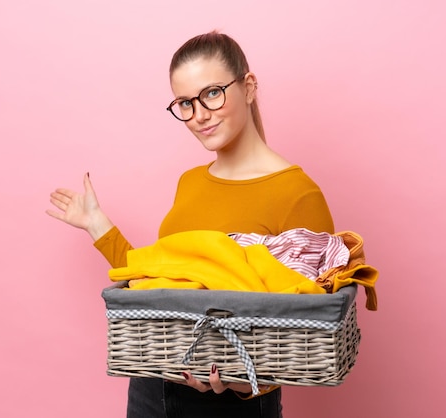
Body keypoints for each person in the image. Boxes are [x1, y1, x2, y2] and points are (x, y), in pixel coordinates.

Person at [46, 31, 334, 418]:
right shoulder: (190, 181)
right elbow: (162, 285)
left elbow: (311, 329)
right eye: (185, 102)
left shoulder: (297, 193)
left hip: (231, 402)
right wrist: (98, 226)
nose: (198, 115)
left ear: (248, 87)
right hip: (151, 385)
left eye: (212, 93)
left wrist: (249, 383)